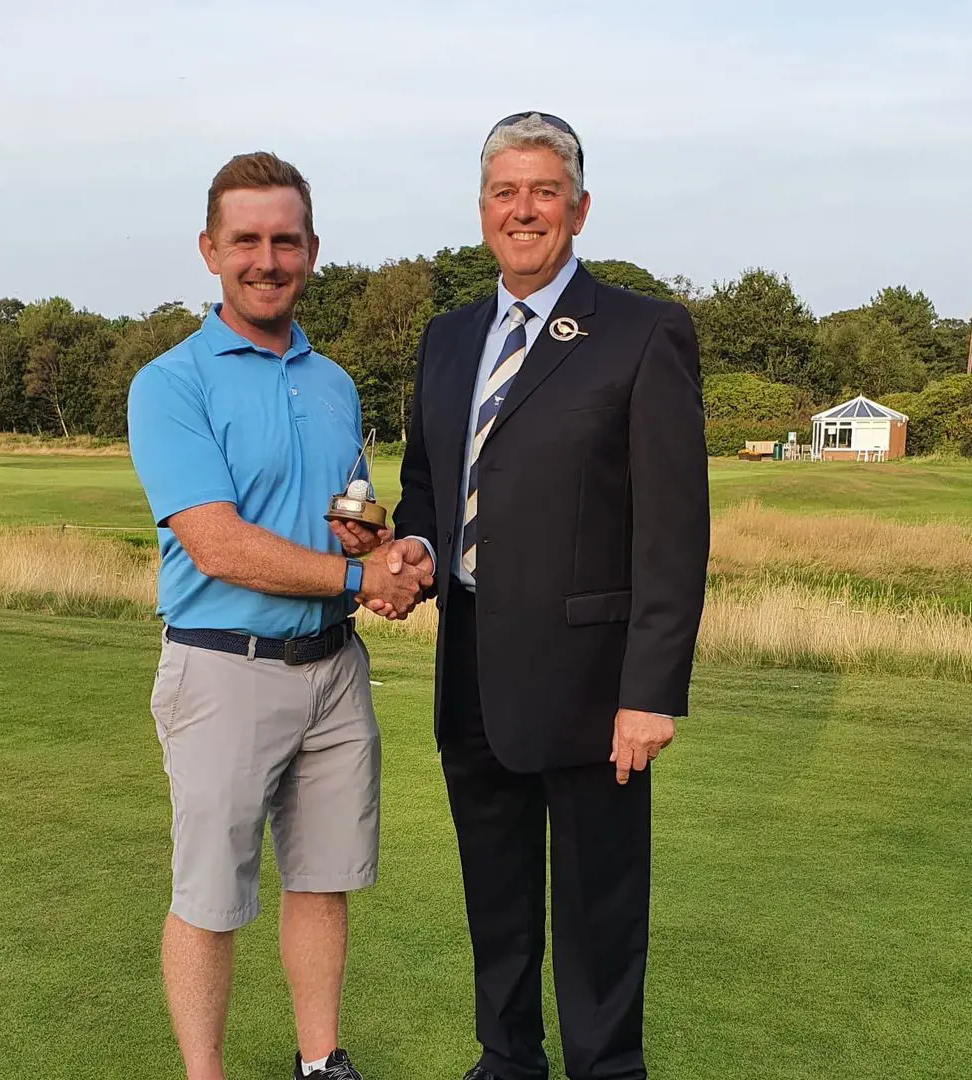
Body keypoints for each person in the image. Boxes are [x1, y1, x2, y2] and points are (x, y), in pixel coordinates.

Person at [386, 113, 710, 1079]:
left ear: (578, 207)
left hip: (593, 678)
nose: (522, 210)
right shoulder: (448, 339)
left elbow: (673, 529)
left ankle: (606, 1068)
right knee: (497, 896)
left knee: (599, 908)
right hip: (473, 664)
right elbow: (428, 491)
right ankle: (506, 1060)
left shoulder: (643, 330)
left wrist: (651, 690)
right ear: (482, 207)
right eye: (503, 192)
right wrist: (405, 548)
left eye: (542, 191)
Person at [127, 151, 429, 1080]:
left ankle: (319, 1060)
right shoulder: (171, 383)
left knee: (324, 879)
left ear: (312, 250)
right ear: (211, 249)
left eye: (285, 240)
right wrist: (354, 583)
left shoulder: (334, 383)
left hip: (335, 671)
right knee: (210, 897)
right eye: (247, 240)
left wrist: (389, 555)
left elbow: (344, 522)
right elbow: (217, 544)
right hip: (223, 666)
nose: (267, 258)